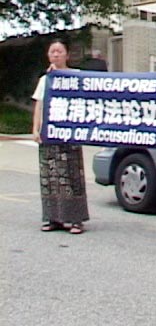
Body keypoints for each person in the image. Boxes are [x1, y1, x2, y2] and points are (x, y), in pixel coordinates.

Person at [31, 38, 90, 234]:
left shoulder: (76, 76)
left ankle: (75, 219)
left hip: (69, 134)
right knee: (50, 175)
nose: (56, 54)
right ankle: (52, 218)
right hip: (49, 134)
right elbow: (39, 105)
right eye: (52, 52)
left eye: (59, 51)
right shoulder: (45, 79)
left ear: (67, 55)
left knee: (71, 175)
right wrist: (36, 129)